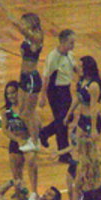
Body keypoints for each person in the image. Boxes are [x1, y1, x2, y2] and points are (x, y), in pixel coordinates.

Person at [0, 3, 44, 160]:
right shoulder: (28, 37)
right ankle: (35, 135)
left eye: (25, 23)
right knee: (23, 112)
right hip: (24, 77)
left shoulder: (37, 38)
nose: (23, 25)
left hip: (32, 78)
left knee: (28, 112)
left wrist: (9, 15)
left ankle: (35, 141)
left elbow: (23, 30)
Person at [39, 29, 77, 162]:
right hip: (55, 91)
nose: (73, 45)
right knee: (63, 121)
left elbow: (74, 67)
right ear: (63, 42)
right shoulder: (53, 57)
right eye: (71, 43)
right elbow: (46, 77)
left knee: (67, 118)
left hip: (66, 89)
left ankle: (44, 133)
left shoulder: (70, 55)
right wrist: (43, 96)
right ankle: (64, 154)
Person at [0, 80, 38, 194]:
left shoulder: (26, 109)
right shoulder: (6, 111)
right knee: (16, 174)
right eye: (8, 93)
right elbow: (5, 129)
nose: (11, 96)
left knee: (32, 166)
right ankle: (19, 196)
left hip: (28, 142)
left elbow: (36, 125)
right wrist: (17, 140)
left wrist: (33, 140)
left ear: (19, 93)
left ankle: (34, 192)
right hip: (15, 142)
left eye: (13, 92)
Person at [64, 55, 101, 141]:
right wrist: (69, 114)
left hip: (91, 120)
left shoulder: (93, 86)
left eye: (81, 67)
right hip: (82, 119)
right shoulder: (81, 81)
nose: (78, 69)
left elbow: (93, 108)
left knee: (90, 147)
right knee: (78, 144)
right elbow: (78, 98)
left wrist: (93, 129)